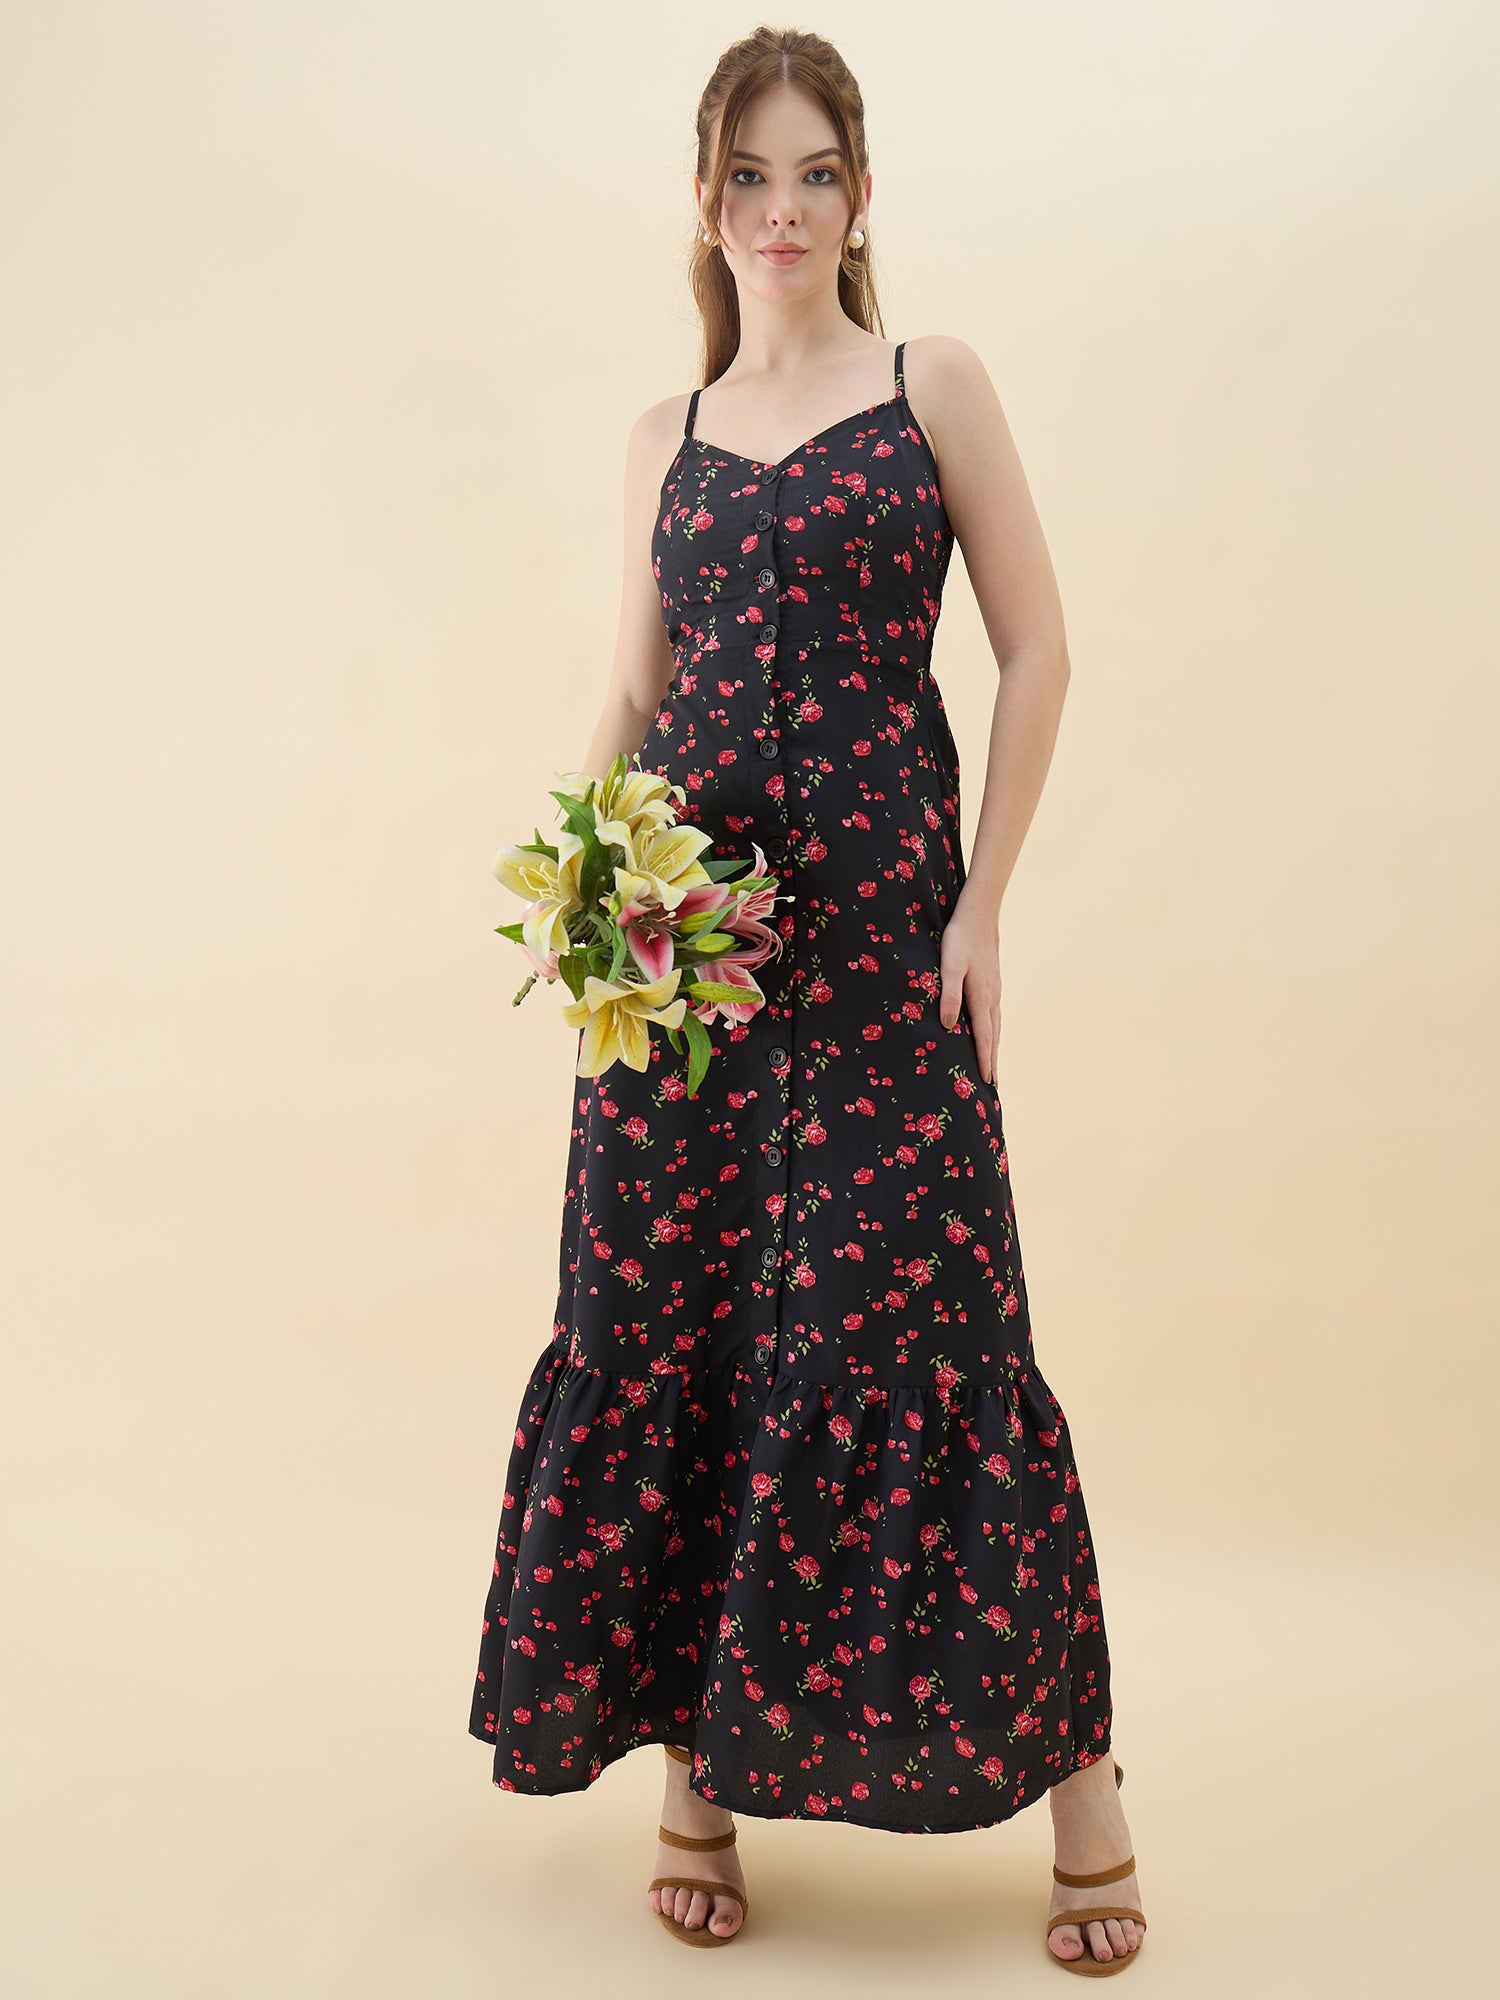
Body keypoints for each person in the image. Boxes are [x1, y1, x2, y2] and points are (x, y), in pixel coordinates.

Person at [468, 24, 1148, 1975]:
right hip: (687, 980)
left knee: (935, 1325)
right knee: (683, 1327)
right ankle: (704, 1772)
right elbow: (631, 691)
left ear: (861, 194)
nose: (781, 209)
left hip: (876, 956)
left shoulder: (929, 380)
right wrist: (587, 902)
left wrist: (985, 905)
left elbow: (1037, 651)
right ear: (704, 200)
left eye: (816, 173)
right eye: (747, 176)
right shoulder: (661, 436)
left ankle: (1082, 1789)